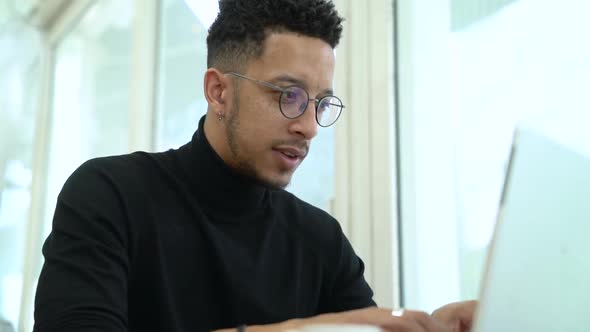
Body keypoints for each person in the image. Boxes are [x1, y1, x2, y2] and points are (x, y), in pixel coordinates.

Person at [33, 0, 476, 331]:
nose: (310, 128)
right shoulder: (110, 195)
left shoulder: (320, 242)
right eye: (289, 96)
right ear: (219, 92)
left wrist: (430, 325)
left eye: (320, 103)